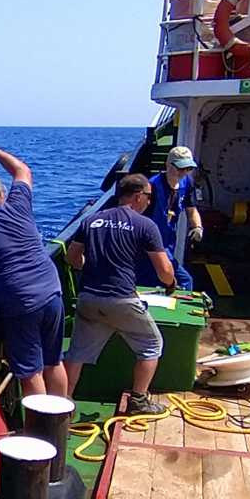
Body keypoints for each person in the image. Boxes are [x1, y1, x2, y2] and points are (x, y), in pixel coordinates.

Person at [64, 174, 177, 415]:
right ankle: (139, 401)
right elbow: (164, 270)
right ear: (139, 196)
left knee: (76, 353)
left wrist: (95, 266)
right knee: (152, 344)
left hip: (89, 299)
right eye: (149, 197)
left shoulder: (91, 221)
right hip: (121, 300)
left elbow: (71, 258)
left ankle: (64, 403)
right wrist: (171, 283)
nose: (149, 202)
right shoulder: (145, 225)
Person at [0, 146, 66, 397]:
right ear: (1, 193)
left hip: (20, 304)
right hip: (51, 292)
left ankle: (42, 431)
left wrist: (3, 286)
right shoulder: (19, 206)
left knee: (31, 372)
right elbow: (22, 170)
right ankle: (62, 419)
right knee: (54, 361)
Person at [136, 146, 203, 291]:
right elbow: (138, 216)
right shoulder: (153, 187)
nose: (183, 173)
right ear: (168, 165)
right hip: (150, 247)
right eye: (180, 168)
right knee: (177, 280)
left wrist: (197, 227)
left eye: (188, 169)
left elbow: (191, 211)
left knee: (181, 282)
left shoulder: (187, 184)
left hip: (168, 244)